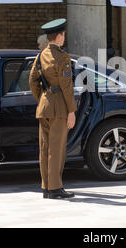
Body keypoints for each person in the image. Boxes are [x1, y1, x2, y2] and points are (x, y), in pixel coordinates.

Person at [29, 18, 77, 199]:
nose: (64, 38)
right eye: (63, 35)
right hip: (59, 108)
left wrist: (42, 98)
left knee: (45, 148)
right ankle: (55, 188)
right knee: (56, 149)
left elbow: (32, 80)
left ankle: (46, 187)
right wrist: (71, 111)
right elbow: (66, 86)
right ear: (58, 36)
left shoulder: (41, 55)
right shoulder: (63, 57)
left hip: (45, 106)